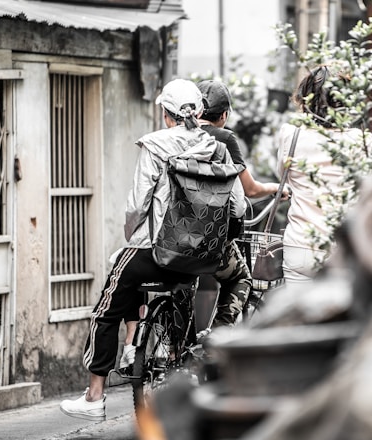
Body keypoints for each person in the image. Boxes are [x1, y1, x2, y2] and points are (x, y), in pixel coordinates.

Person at [60, 78, 245, 421]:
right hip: (198, 259)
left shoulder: (156, 145)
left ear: (165, 113)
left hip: (156, 251)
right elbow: (237, 208)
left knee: (106, 305)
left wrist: (132, 236)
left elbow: (136, 204)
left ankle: (95, 394)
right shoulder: (217, 148)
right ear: (200, 112)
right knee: (158, 284)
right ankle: (173, 359)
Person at [196, 79, 288, 326]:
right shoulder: (224, 138)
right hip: (210, 238)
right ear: (224, 114)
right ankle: (213, 340)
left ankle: (172, 347)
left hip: (172, 236)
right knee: (241, 279)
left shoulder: (179, 134)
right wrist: (276, 189)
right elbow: (249, 189)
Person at [275, 65, 372, 284]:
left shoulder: (290, 134)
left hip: (299, 246)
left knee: (297, 315)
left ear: (305, 99)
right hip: (339, 248)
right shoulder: (358, 140)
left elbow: (282, 175)